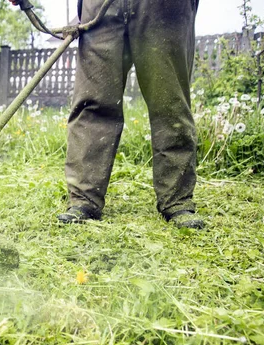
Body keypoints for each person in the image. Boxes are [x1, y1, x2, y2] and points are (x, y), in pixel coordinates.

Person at [11, 0, 204, 229]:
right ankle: (84, 199)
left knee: (170, 101)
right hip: (100, 5)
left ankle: (177, 200)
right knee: (93, 102)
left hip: (163, 7)